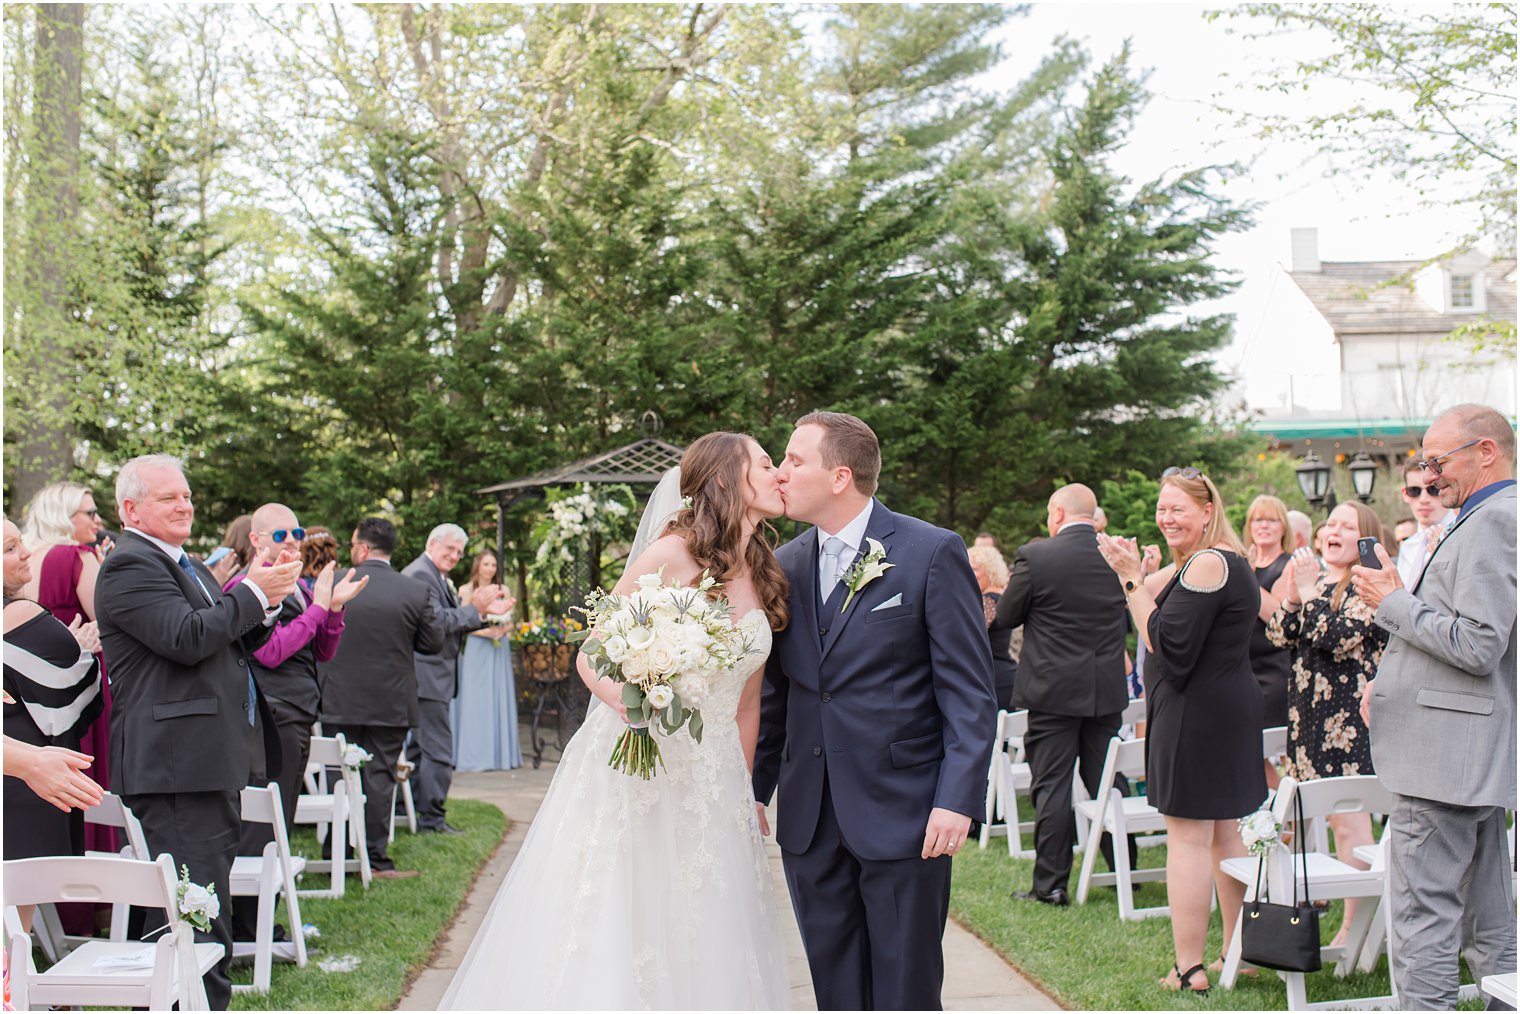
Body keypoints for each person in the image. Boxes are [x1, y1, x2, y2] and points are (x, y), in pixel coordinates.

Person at [441, 432, 793, 1009]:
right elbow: (591, 656)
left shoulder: (764, 572)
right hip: (643, 765)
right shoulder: (670, 556)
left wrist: (746, 791)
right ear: (727, 479)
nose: (778, 472)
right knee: (630, 911)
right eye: (766, 462)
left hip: (716, 775)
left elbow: (746, 704)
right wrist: (644, 704)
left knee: (708, 917)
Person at [754, 412, 997, 1011]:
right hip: (810, 817)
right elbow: (776, 697)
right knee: (834, 988)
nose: (781, 473)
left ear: (840, 476)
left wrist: (956, 799)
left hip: (905, 811)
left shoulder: (931, 552)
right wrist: (753, 791)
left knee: (905, 989)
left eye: (794, 460)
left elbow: (969, 691)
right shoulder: (783, 566)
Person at [94, 455, 300, 1010]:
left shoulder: (185, 563)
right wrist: (251, 592)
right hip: (175, 767)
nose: (185, 505)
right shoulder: (130, 565)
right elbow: (185, 637)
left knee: (205, 912)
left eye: (186, 495)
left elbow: (226, 641)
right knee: (193, 920)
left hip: (205, 763)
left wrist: (269, 601)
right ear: (130, 508)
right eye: (169, 498)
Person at [1353, 403, 1516, 1010]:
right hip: (1465, 758)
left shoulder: (1495, 521)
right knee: (1491, 925)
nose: (1429, 472)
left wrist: (1393, 601)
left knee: (1424, 922)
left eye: (1437, 460)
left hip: (1444, 762)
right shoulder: (1482, 517)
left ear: (1485, 452)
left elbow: (1478, 644)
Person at [1097, 467, 1265, 996]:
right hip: (1223, 711)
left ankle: (1190, 967)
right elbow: (1153, 599)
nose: (1167, 518)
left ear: (1207, 511)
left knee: (1189, 838)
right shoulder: (1211, 562)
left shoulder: (1210, 563)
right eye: (1162, 509)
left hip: (1196, 715)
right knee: (1223, 834)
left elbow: (1168, 645)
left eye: (1178, 510)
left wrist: (1128, 577)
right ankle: (1241, 953)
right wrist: (1137, 572)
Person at [997, 483, 1131, 908]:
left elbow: (1007, 615)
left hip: (1052, 692)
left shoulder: (1037, 557)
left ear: (1057, 512)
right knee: (1108, 779)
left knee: (1052, 786)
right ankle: (1126, 868)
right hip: (1104, 689)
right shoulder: (1116, 559)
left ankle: (1051, 885)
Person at [1267, 501, 1388, 946]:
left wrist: (1310, 595)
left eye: (1346, 525)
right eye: (1330, 522)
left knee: (1350, 825)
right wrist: (1297, 595)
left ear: (1364, 538)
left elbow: (1337, 638)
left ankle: (1353, 930)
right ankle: (1330, 920)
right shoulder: (1316, 582)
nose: (1333, 529)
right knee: (1323, 823)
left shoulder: (1368, 586)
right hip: (1308, 726)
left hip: (1350, 729)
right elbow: (1278, 634)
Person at [226, 504, 366, 834]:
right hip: (271, 712)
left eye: (297, 533)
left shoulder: (301, 586)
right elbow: (271, 652)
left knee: (285, 809)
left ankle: (274, 881)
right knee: (265, 816)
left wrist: (333, 609)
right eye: (280, 534)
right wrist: (318, 608)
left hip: (301, 709)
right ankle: (256, 883)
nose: (291, 540)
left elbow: (323, 652)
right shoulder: (244, 587)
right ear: (256, 540)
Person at [318, 518, 443, 878]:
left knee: (337, 774)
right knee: (379, 775)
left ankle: (336, 852)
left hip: (339, 697)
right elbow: (432, 643)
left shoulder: (337, 581)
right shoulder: (413, 590)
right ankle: (374, 857)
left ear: (362, 548)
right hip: (391, 699)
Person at [3, 515, 104, 932]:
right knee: (11, 934)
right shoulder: (21, 613)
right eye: (9, 548)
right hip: (27, 782)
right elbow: (85, 685)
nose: (26, 552)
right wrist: (78, 648)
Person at [18, 481, 115, 865]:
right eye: (89, 513)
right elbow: (108, 618)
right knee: (88, 771)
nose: (97, 520)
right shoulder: (77, 555)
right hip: (80, 676)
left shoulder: (26, 559)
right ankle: (99, 893)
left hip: (34, 684)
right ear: (65, 516)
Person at [402, 524, 510, 835]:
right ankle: (432, 819)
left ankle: (407, 808)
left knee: (419, 749)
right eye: (449, 549)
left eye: (459, 552)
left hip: (430, 676)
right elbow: (435, 624)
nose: (455, 556)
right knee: (437, 750)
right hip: (427, 674)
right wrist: (474, 610)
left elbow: (450, 620)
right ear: (431, 543)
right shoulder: (422, 574)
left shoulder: (435, 575)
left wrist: (484, 614)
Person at [453, 551, 522, 772]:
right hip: (475, 650)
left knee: (497, 696)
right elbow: (460, 624)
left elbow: (511, 623)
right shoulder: (466, 590)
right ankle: (472, 754)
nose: (490, 568)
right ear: (478, 566)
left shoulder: (504, 591)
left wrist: (502, 630)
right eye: (486, 564)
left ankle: (498, 755)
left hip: (498, 650)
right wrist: (486, 633)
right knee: (474, 700)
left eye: (493, 564)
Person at [1243, 495, 1294, 735]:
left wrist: (1248, 577)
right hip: (1243, 668)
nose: (1264, 526)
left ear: (1283, 526)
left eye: (1271, 520)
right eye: (1258, 520)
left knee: (1274, 745)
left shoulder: (1289, 564)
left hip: (1274, 668)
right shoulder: (1243, 562)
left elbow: (1277, 615)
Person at [968, 544, 1017, 711]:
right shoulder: (1002, 598)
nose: (968, 573)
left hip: (993, 679)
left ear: (990, 570)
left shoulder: (986, 601)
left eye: (974, 569)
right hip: (1006, 676)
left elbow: (969, 637)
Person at [1393, 460, 1455, 589]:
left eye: (1433, 489)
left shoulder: (1461, 535)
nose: (1424, 499)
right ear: (1405, 494)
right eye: (1414, 491)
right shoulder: (1407, 547)